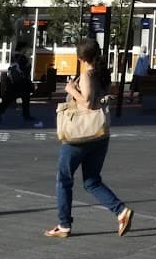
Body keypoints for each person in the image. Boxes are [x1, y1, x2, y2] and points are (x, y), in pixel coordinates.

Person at [46, 38, 133, 238]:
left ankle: (64, 224)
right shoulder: (103, 75)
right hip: (99, 134)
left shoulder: (86, 75)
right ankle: (121, 211)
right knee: (92, 180)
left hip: (80, 136)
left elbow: (86, 103)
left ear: (80, 57)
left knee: (64, 179)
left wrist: (70, 89)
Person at [0, 48, 34, 123]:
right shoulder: (23, 63)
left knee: (8, 100)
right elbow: (25, 75)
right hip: (19, 85)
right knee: (22, 100)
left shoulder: (17, 64)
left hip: (16, 86)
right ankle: (26, 115)